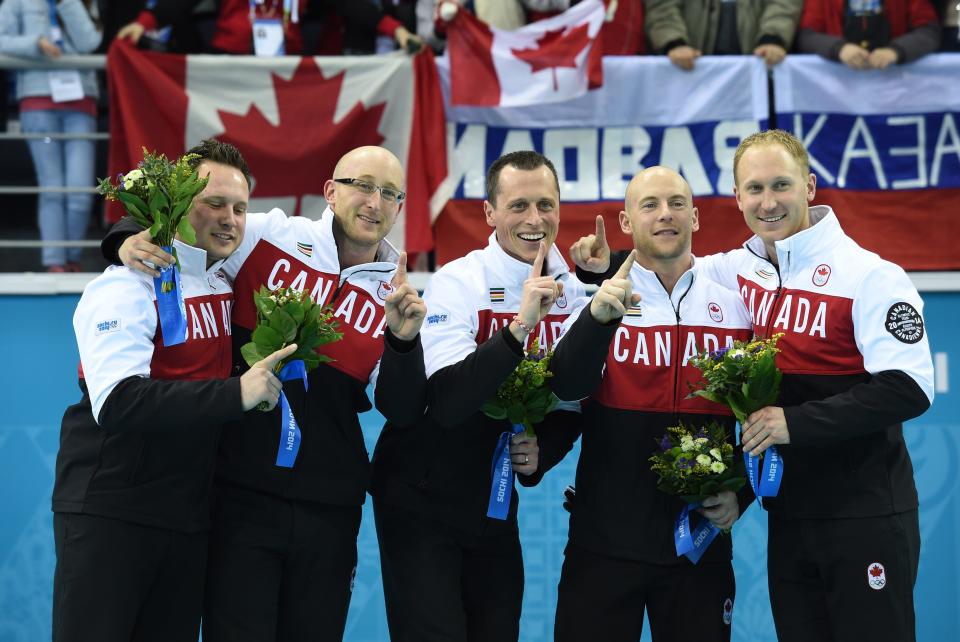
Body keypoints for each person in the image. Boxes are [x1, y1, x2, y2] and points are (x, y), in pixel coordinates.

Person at [572, 130, 936, 642]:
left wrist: (795, 423)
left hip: (864, 513)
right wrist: (599, 265)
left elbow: (909, 388)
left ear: (809, 186)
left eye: (781, 185)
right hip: (788, 515)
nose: (769, 202)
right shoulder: (738, 269)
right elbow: (667, 263)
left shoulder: (871, 275)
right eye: (755, 189)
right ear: (738, 198)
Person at [103, 145, 428, 642]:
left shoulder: (396, 292)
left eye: (389, 193)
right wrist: (124, 240)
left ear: (400, 207)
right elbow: (198, 226)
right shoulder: (272, 235)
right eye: (362, 185)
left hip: (330, 510)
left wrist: (404, 341)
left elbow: (402, 410)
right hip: (239, 498)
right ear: (331, 191)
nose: (374, 202)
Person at [52, 140, 295, 642]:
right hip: (111, 512)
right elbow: (118, 402)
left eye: (240, 207)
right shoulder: (126, 283)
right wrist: (237, 394)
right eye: (214, 202)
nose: (230, 218)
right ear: (178, 203)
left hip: (187, 519)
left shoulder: (223, 272)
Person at [370, 150, 584, 641]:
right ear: (490, 214)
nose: (535, 220)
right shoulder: (457, 281)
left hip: (493, 505)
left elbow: (571, 403)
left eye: (546, 205)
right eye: (519, 206)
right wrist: (519, 328)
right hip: (420, 498)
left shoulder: (573, 290)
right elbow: (446, 403)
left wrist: (543, 451)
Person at [549, 167, 754, 642]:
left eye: (677, 203)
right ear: (626, 221)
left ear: (697, 217)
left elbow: (766, 415)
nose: (666, 215)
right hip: (603, 546)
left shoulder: (738, 301)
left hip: (698, 546)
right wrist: (598, 317)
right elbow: (565, 388)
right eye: (650, 205)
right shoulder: (593, 298)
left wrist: (741, 494)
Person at [0, 0, 101, 272]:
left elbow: (90, 42)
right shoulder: (16, 1)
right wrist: (36, 43)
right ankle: (56, 262)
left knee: (80, 191)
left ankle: (73, 258)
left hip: (81, 103)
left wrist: (68, 2)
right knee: (52, 187)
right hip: (37, 103)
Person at [116, 0, 422, 55]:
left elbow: (350, 5)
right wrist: (143, 24)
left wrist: (396, 29)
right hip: (230, 63)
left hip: (286, 66)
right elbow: (181, 3)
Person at [645, 0, 802, 70]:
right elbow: (662, 8)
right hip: (688, 69)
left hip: (762, 65)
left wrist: (773, 38)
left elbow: (784, 5)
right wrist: (674, 43)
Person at [796, 0, 940, 69]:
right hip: (838, 93)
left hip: (898, 89)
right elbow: (807, 36)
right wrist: (839, 49)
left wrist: (896, 51)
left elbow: (928, 31)